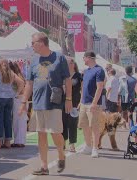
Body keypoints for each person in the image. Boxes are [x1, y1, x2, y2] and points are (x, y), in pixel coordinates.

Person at [19, 32, 72, 175]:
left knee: (55, 132)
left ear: (41, 43)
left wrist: (69, 99)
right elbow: (29, 83)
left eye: (33, 43)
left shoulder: (59, 58)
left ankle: (61, 153)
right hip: (37, 102)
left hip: (54, 101)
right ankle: (44, 167)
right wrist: (24, 101)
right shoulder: (34, 60)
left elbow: (67, 80)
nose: (31, 46)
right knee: (41, 134)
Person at [0, 58, 24, 149]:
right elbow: (21, 82)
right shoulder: (11, 73)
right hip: (9, 99)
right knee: (8, 119)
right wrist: (16, 93)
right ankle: (7, 141)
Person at [78, 51, 105, 158]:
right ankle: (88, 146)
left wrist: (94, 103)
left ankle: (95, 148)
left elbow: (100, 87)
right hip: (84, 103)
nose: (83, 60)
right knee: (84, 125)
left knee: (94, 126)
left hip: (93, 104)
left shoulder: (99, 70)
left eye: (84, 58)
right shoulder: (86, 71)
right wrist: (80, 101)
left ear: (88, 58)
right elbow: (83, 88)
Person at [62, 57, 82, 152]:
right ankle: (63, 142)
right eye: (67, 63)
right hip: (62, 102)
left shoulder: (78, 75)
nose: (68, 64)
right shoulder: (63, 75)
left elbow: (83, 89)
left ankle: (72, 144)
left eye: (70, 63)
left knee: (73, 123)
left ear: (74, 64)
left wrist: (81, 102)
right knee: (63, 122)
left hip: (74, 102)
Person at [9, 62, 27, 148]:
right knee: (21, 121)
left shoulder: (14, 75)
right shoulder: (20, 75)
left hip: (18, 99)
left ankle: (18, 141)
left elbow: (22, 84)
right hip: (22, 99)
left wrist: (16, 94)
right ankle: (20, 140)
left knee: (17, 121)